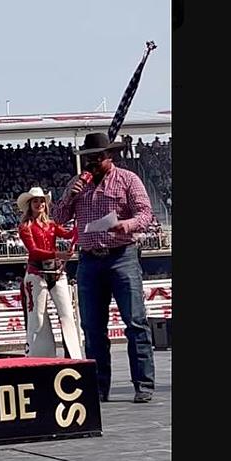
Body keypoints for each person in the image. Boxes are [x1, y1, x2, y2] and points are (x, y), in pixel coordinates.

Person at [52, 132, 156, 404]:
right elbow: (58, 220)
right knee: (93, 327)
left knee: (135, 322)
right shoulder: (77, 184)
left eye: (97, 158)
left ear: (109, 157)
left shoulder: (128, 180)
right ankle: (98, 387)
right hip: (89, 259)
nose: (92, 164)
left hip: (121, 255)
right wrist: (69, 198)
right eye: (88, 159)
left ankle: (143, 383)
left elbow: (146, 214)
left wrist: (128, 225)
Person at [16, 186, 82, 359]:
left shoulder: (51, 225)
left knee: (67, 313)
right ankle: (41, 357)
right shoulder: (25, 227)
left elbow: (68, 235)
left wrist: (80, 223)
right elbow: (34, 251)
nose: (39, 204)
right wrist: (59, 254)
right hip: (37, 273)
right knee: (38, 316)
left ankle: (73, 354)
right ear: (30, 205)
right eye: (35, 201)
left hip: (55, 271)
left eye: (41, 201)